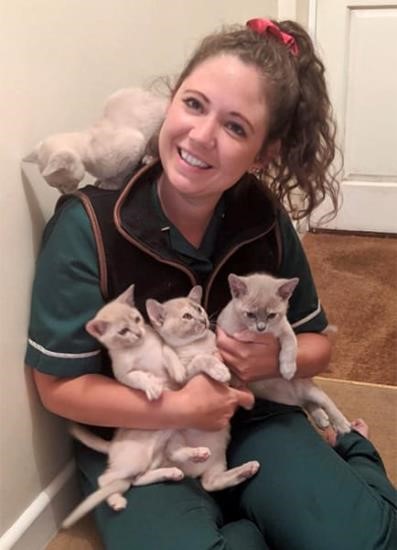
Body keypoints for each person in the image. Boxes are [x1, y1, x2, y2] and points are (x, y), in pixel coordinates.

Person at [26, 18, 396, 550]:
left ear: (264, 154)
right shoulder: (87, 226)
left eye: (236, 127)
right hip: (144, 434)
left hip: (254, 414)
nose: (201, 136)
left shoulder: (265, 220)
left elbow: (319, 346)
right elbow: (56, 387)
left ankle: (351, 450)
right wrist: (179, 408)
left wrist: (267, 362)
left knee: (367, 541)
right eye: (194, 105)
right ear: (171, 102)